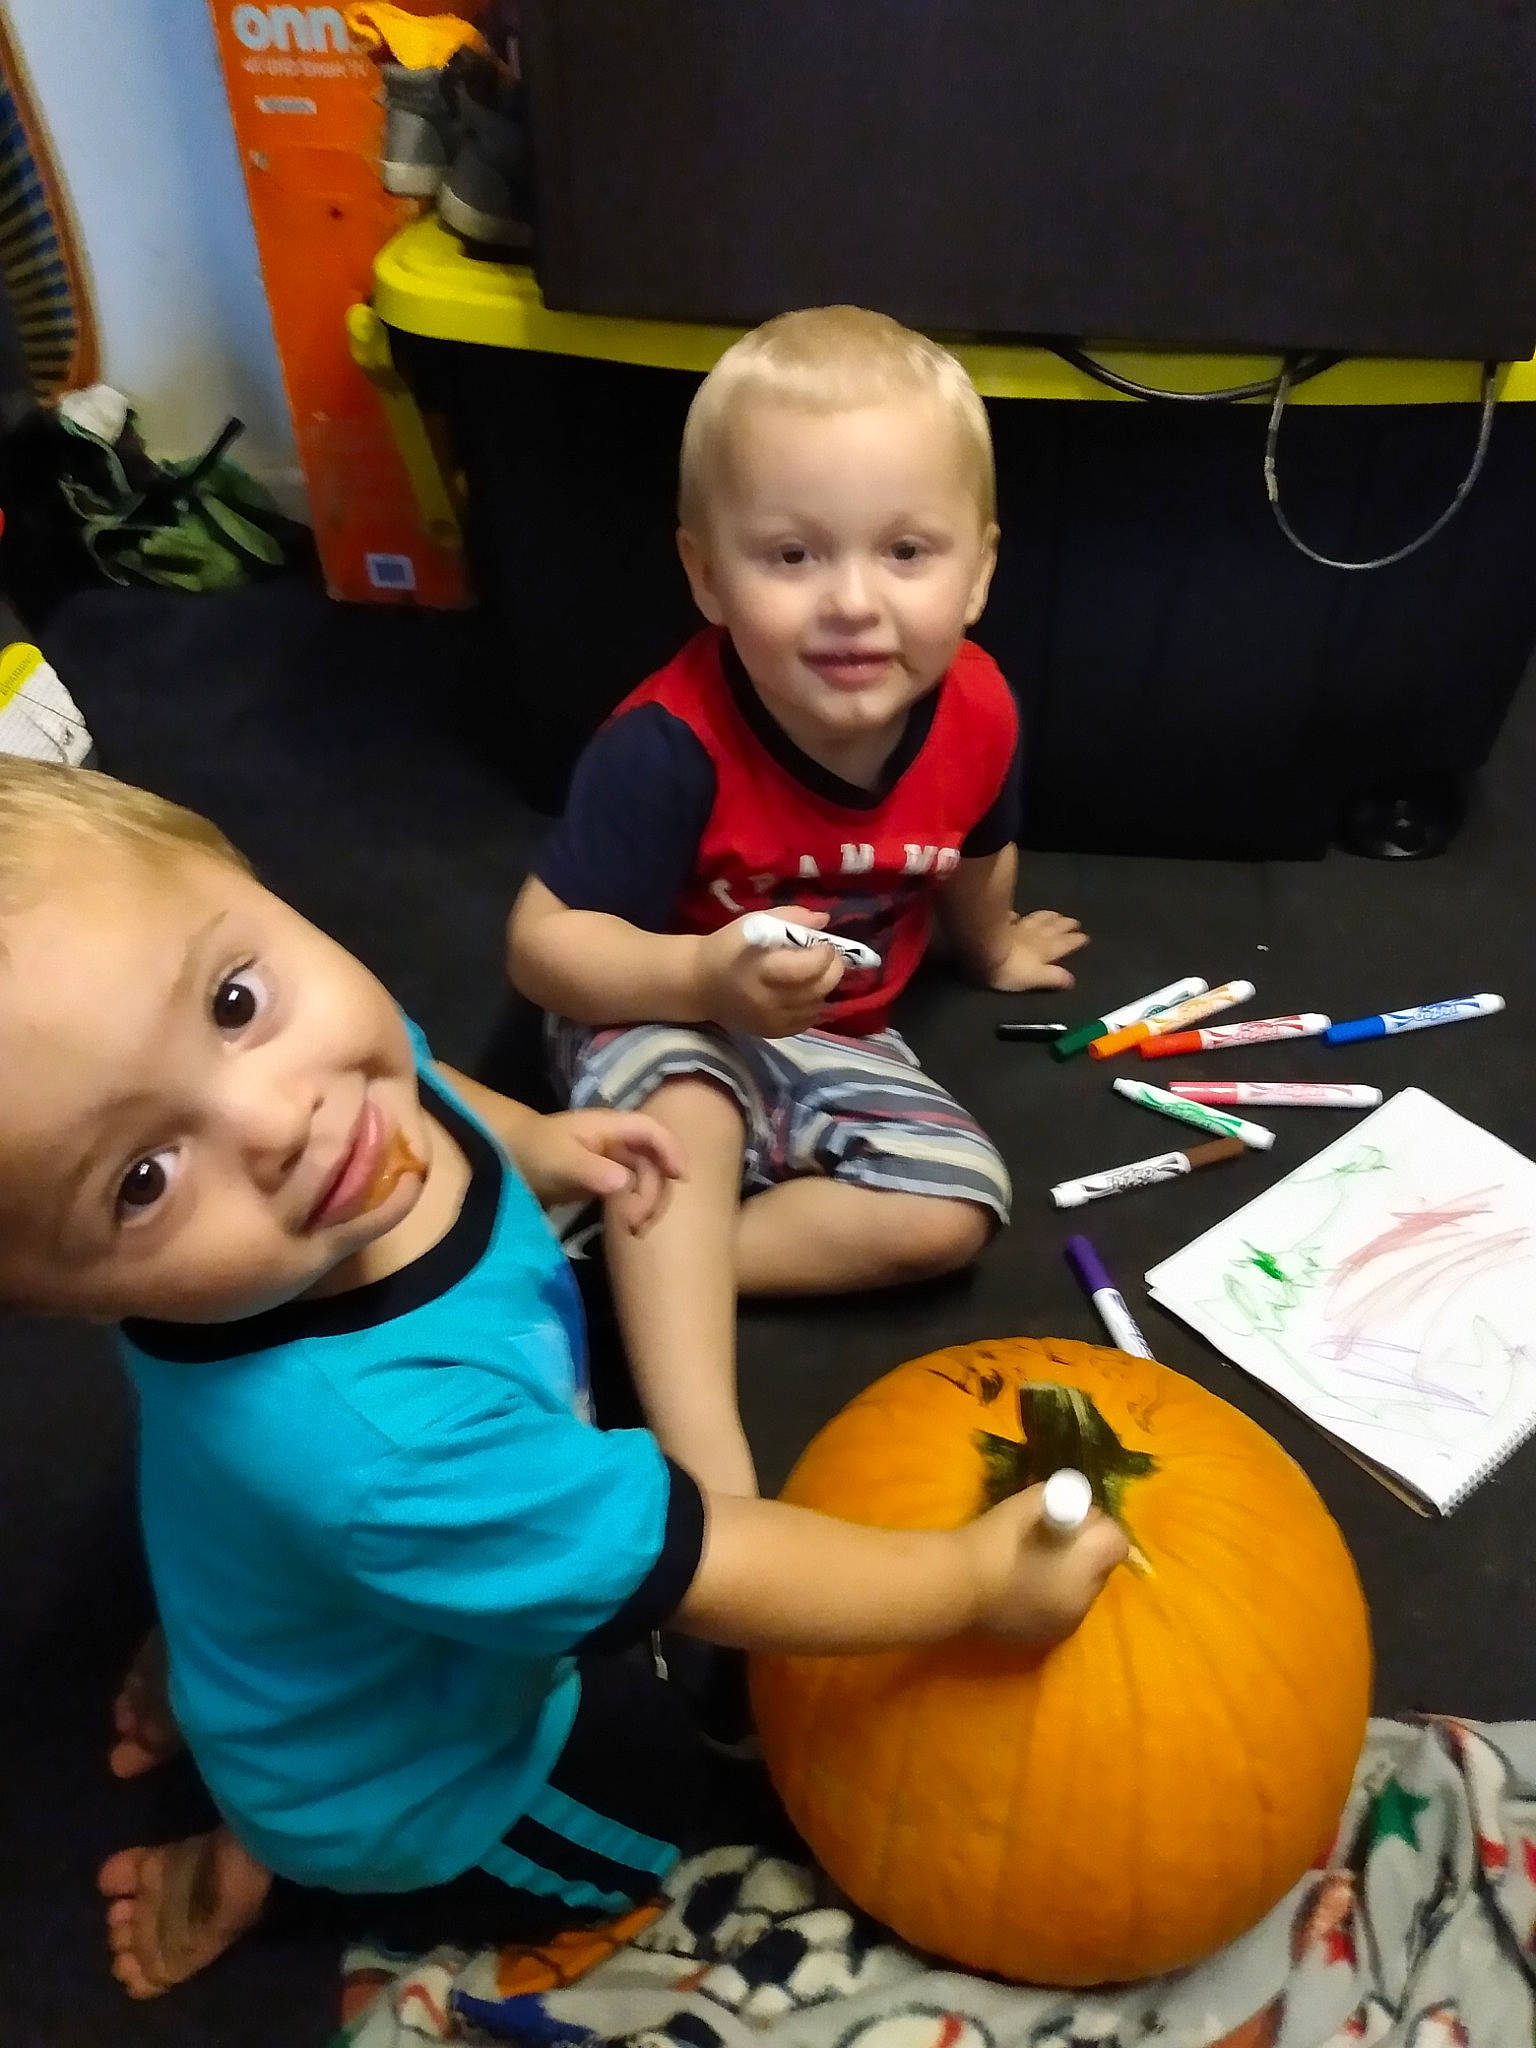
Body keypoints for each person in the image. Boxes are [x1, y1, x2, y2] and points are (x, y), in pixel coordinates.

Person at [0, 758, 1126, 2000]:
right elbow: (700, 1568)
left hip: (300, 1595)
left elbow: (426, 1078)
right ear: (66, 1297)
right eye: (140, 1179)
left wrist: (541, 1141)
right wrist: (972, 1581)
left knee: (262, 1594)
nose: (279, 1117)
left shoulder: (338, 1090)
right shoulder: (391, 1443)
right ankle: (274, 1851)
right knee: (661, 1808)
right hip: (415, 1778)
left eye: (229, 997)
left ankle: (223, 1678)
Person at [507, 304, 1088, 1499]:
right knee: (687, 1111)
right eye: (793, 555)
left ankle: (631, 1257)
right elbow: (541, 945)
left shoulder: (982, 710)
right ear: (708, 574)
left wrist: (992, 944)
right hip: (661, 1000)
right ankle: (706, 1470)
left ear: (979, 570)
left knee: (953, 1211)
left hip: (839, 1030)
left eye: (907, 552)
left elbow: (981, 846)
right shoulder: (666, 746)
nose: (854, 602)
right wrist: (699, 979)